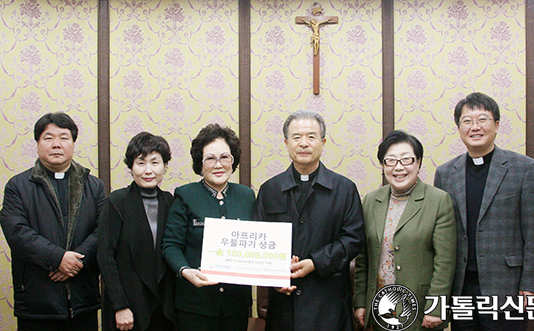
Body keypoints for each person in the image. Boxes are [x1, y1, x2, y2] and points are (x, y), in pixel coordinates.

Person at [434, 92, 534, 331]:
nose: (474, 127)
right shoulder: (445, 173)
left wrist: (530, 286)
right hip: (461, 287)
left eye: (482, 119)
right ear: (458, 127)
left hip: (507, 287)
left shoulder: (523, 168)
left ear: (496, 125)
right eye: (467, 121)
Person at [253, 110, 365, 331]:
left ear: (323, 143)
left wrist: (316, 262)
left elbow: (354, 239)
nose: (303, 143)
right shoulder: (269, 190)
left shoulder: (344, 189)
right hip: (284, 307)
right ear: (286, 143)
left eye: (311, 137)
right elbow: (257, 242)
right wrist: (276, 278)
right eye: (296, 137)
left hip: (329, 305)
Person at [0, 112, 106, 330]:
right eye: (48, 138)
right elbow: (16, 232)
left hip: (82, 299)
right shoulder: (18, 186)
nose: (56, 144)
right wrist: (57, 258)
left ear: (73, 143)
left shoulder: (94, 186)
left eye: (64, 137)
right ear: (38, 143)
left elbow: (103, 230)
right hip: (37, 301)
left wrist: (75, 262)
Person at [353, 130, 456, 330]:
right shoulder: (372, 201)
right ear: (383, 166)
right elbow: (363, 258)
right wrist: (360, 302)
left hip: (419, 307)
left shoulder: (438, 200)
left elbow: (445, 262)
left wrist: (436, 307)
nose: (398, 167)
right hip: (379, 306)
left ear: (418, 162)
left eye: (406, 160)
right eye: (390, 161)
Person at [162, 124, 255, 331]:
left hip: (236, 304)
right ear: (200, 164)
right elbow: (171, 245)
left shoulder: (247, 196)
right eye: (210, 159)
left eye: (225, 157)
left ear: (233, 161)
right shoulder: (186, 195)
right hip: (195, 304)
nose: (218, 165)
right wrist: (186, 271)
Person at [98, 132, 176, 331]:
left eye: (155, 162)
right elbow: (105, 257)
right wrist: (120, 305)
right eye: (141, 163)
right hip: (128, 307)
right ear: (131, 168)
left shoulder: (171, 201)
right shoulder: (117, 202)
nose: (148, 170)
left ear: (165, 166)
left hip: (164, 307)